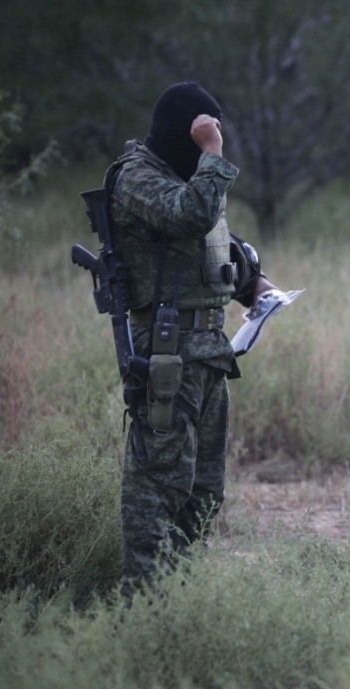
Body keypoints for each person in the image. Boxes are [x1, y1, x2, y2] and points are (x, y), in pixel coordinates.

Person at [104, 81, 275, 592]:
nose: (208, 147)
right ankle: (143, 604)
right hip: (165, 355)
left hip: (210, 355)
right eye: (202, 137)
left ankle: (177, 597)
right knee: (158, 485)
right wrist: (213, 155)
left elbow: (215, 240)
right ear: (186, 136)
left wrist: (254, 285)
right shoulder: (136, 178)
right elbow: (191, 216)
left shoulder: (188, 179)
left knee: (203, 491)